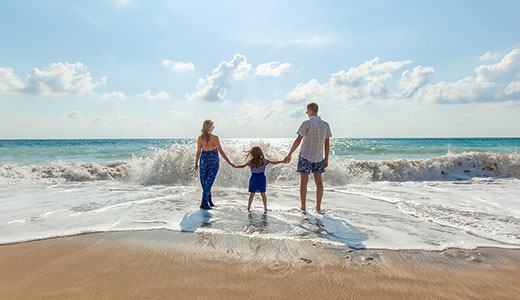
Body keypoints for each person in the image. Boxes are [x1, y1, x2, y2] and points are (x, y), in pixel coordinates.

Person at [284, 102, 332, 212]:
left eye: (307, 112)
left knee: (303, 182)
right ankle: (318, 207)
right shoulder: (325, 124)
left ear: (310, 111)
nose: (307, 114)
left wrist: (290, 154)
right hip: (319, 157)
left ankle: (303, 207)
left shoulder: (306, 123)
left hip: (305, 156)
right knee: (319, 183)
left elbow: (298, 140)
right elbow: (327, 144)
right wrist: (327, 158)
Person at [195, 119, 235, 210]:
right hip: (212, 160)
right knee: (207, 182)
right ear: (210, 127)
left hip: (204, 159)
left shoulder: (200, 138)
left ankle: (209, 201)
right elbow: (220, 151)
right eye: (213, 126)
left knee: (206, 182)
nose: (214, 128)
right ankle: (204, 203)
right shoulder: (214, 138)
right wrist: (229, 161)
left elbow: (198, 152)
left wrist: (196, 163)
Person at [233, 146, 285, 211]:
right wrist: (283, 161)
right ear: (260, 153)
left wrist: (235, 166)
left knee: (252, 194)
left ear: (252, 153)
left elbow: (242, 166)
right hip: (261, 178)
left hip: (254, 178)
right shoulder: (264, 161)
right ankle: (265, 208)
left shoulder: (250, 162)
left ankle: (248, 208)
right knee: (263, 193)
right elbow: (274, 162)